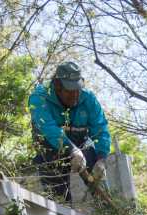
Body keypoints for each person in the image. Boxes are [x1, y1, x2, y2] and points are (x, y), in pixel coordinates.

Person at [29, 61, 112, 201]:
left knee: (99, 180)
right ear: (57, 85)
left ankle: (110, 211)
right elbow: (49, 129)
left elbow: (100, 129)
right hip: (51, 150)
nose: (75, 95)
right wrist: (71, 150)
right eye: (69, 91)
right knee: (59, 199)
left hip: (81, 145)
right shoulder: (39, 97)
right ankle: (62, 208)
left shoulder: (88, 99)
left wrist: (102, 159)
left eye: (77, 90)